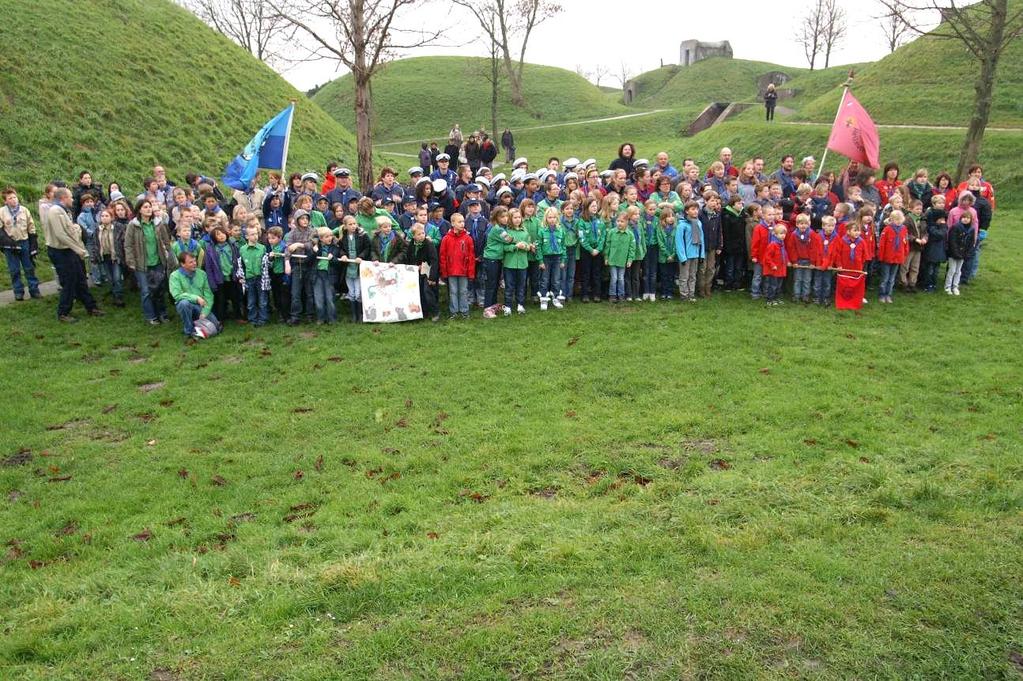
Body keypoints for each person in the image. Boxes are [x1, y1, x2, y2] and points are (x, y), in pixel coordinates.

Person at [41, 187, 102, 322]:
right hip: (61, 252)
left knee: (80, 278)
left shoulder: (63, 210)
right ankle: (63, 312)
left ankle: (91, 307)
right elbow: (61, 235)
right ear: (63, 198)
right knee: (69, 282)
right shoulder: (55, 211)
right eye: (70, 197)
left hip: (69, 250)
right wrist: (79, 249)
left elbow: (69, 229)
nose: (73, 199)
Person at [124, 199, 173, 325]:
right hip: (141, 264)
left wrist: (169, 255)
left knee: (159, 290)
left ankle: (162, 314)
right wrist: (131, 261)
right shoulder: (133, 225)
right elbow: (128, 245)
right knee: (146, 291)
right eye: (145, 207)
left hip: (158, 262)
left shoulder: (158, 223)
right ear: (139, 209)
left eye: (149, 207)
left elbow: (166, 241)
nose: (148, 209)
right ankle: (151, 316)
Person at [0, 187, 41, 301]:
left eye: (14, 197)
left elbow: (31, 227)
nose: (13, 200)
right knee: (14, 269)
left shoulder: (24, 210)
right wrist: (8, 242)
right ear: (6, 201)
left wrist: (33, 243)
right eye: (10, 198)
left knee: (29, 267)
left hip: (24, 242)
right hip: (10, 245)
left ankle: (34, 290)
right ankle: (18, 291)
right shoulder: (1, 212)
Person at [169, 251, 217, 342]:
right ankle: (189, 331)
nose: (194, 263)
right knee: (183, 303)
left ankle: (197, 326)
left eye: (195, 261)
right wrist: (196, 298)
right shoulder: (174, 276)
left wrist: (205, 312)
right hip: (187, 305)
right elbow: (177, 295)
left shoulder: (202, 273)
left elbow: (209, 295)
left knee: (215, 327)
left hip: (201, 306)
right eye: (190, 262)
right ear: (183, 264)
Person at [439, 212, 475, 319]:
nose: (462, 224)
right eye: (459, 222)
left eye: (463, 221)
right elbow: (443, 256)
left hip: (463, 270)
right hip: (451, 271)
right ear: (452, 223)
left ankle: (464, 311)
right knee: (453, 292)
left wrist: (471, 272)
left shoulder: (468, 238)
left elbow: (471, 256)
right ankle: (453, 311)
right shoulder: (446, 239)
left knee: (463, 291)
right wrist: (444, 272)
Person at [206, 225, 243, 323]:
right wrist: (212, 282)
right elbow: (209, 267)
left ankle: (238, 316)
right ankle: (220, 319)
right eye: (218, 235)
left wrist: (239, 274)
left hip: (232, 276)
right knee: (220, 300)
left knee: (235, 297)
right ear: (214, 238)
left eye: (222, 233)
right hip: (219, 279)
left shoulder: (232, 245)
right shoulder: (211, 249)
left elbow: (238, 260)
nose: (221, 236)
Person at [338, 215, 370, 323]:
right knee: (351, 292)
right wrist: (343, 255)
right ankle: (353, 315)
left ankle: (360, 314)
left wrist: (361, 256)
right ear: (345, 226)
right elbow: (341, 249)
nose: (353, 226)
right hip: (348, 268)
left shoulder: (362, 235)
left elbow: (367, 248)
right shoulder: (343, 237)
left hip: (358, 267)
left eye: (354, 224)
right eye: (350, 224)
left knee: (358, 293)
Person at [481, 206, 512, 316]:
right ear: (496, 217)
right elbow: (508, 240)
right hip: (491, 259)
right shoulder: (497, 229)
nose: (505, 219)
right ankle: (487, 309)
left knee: (495, 284)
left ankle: (493, 306)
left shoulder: (502, 228)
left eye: (506, 216)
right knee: (491, 284)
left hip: (497, 259)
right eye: (502, 217)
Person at [405, 224, 440, 321]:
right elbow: (409, 258)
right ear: (413, 236)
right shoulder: (411, 245)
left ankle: (435, 312)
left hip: (428, 272)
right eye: (419, 234)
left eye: (423, 233)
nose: (421, 235)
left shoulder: (429, 244)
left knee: (427, 291)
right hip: (416, 272)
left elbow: (434, 260)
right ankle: (424, 312)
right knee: (419, 292)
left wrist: (432, 277)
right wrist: (414, 266)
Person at [502, 207, 532, 315]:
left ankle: (520, 304)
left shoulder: (525, 232)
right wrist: (515, 246)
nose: (517, 219)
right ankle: (508, 306)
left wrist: (526, 247)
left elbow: (529, 246)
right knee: (509, 286)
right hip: (510, 264)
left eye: (519, 217)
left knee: (521, 285)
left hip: (523, 264)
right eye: (515, 217)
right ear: (510, 219)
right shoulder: (506, 232)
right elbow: (504, 248)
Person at [536, 206, 566, 310]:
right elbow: (538, 246)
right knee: (544, 279)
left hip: (557, 258)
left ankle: (556, 298)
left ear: (557, 218)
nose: (552, 219)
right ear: (546, 218)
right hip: (545, 258)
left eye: (554, 217)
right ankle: (544, 299)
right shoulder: (542, 231)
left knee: (556, 279)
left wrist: (563, 260)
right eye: (549, 217)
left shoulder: (560, 231)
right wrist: (540, 261)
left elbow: (563, 246)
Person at [877, 209, 909, 304]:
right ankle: (882, 294)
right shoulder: (887, 229)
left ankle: (888, 294)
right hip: (887, 257)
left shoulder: (904, 229)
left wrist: (905, 254)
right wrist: (881, 257)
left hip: (898, 257)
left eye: (900, 219)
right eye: (896, 219)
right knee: (885, 278)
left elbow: (905, 243)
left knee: (892, 278)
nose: (898, 221)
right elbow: (882, 245)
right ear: (891, 220)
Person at [675, 201, 705, 302]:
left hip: (695, 254)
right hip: (686, 256)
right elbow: (679, 242)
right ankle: (684, 295)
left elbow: (701, 240)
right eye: (693, 209)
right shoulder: (682, 225)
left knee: (693, 275)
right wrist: (682, 257)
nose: (695, 211)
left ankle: (691, 294)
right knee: (684, 276)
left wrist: (702, 254)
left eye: (696, 209)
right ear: (687, 211)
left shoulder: (698, 223)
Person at [577, 196, 605, 303]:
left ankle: (597, 294)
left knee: (597, 273)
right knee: (586, 273)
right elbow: (582, 238)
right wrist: (590, 249)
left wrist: (598, 249)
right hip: (587, 251)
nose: (594, 208)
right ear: (586, 207)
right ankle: (584, 294)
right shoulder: (582, 222)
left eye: (596, 206)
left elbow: (603, 236)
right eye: (592, 206)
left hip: (597, 250)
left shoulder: (599, 221)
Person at [94, 208, 125, 307]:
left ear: (111, 217)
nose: (104, 218)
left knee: (117, 277)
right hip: (105, 256)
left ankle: (118, 297)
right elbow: (95, 243)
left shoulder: (118, 227)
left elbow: (122, 241)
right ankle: (115, 293)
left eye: (106, 216)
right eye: (102, 216)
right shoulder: (98, 229)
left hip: (115, 257)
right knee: (110, 278)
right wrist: (96, 255)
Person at [239, 225, 269, 326]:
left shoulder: (262, 248)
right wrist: (241, 277)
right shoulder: (242, 249)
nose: (255, 236)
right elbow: (241, 264)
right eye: (252, 234)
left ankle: (263, 319)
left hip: (260, 278)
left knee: (262, 300)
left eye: (256, 234)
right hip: (249, 278)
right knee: (251, 300)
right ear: (247, 236)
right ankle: (252, 319)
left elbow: (266, 263)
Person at [308, 227, 339, 324]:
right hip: (317, 275)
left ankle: (332, 318)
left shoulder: (334, 248)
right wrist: (315, 252)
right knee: (318, 297)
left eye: (330, 236)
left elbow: (338, 264)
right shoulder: (316, 247)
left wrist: (333, 258)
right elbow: (308, 261)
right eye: (326, 237)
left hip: (329, 275)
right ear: (321, 238)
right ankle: (321, 318)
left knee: (330, 298)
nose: (330, 238)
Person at [603, 212, 635, 304]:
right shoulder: (611, 232)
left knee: (621, 278)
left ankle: (621, 294)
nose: (619, 223)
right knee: (614, 278)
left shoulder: (630, 234)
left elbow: (632, 248)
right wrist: (606, 257)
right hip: (612, 260)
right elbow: (607, 245)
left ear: (627, 222)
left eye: (622, 221)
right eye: (618, 221)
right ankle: (612, 295)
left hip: (622, 261)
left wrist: (630, 260)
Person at [785, 213, 815, 303]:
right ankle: (796, 295)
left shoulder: (812, 234)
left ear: (809, 224)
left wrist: (813, 262)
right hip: (798, 261)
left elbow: (814, 249)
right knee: (797, 279)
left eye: (805, 223)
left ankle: (805, 296)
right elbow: (791, 248)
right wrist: (794, 261)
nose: (803, 226)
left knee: (807, 280)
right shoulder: (794, 235)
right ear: (797, 224)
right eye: (801, 224)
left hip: (808, 261)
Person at [697, 193, 723, 298]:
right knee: (702, 268)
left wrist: (719, 246)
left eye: (716, 202)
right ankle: (701, 289)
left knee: (711, 268)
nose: (714, 203)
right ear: (706, 201)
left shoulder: (717, 215)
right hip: (702, 246)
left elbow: (719, 230)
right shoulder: (700, 214)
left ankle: (708, 288)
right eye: (712, 201)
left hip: (713, 246)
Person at [921, 197, 948, 292]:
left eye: (943, 203)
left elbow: (944, 232)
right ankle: (927, 284)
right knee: (929, 268)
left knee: (936, 269)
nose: (941, 205)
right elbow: (935, 232)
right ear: (933, 204)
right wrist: (941, 225)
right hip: (931, 245)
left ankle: (933, 284)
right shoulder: (930, 214)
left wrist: (942, 227)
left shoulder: (944, 214)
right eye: (939, 203)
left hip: (940, 246)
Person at [944, 211, 974, 296]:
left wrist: (967, 253)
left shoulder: (971, 229)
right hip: (953, 253)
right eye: (964, 217)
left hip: (963, 254)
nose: (965, 219)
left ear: (971, 220)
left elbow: (970, 243)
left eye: (968, 218)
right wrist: (956, 253)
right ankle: (947, 287)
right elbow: (952, 241)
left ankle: (955, 286)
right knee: (952, 270)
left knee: (958, 271)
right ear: (961, 218)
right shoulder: (955, 227)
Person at [265, 226, 290, 323]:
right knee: (276, 294)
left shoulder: (284, 247)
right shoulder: (271, 247)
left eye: (273, 238)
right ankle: (280, 313)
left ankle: (286, 315)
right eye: (269, 238)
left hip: (283, 274)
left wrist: (275, 254)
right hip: (274, 274)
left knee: (284, 295)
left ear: (280, 237)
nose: (270, 240)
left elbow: (285, 254)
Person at [812, 216, 839, 305]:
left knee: (827, 282)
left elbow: (836, 252)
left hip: (829, 265)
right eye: (828, 225)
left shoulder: (836, 237)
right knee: (817, 282)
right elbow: (815, 251)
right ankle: (816, 297)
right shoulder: (818, 236)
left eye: (832, 226)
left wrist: (834, 264)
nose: (831, 228)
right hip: (819, 264)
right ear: (823, 226)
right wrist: (814, 263)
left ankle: (826, 297)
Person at [762, 224, 788, 307]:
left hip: (781, 269)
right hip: (774, 270)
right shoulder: (773, 244)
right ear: (775, 234)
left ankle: (776, 298)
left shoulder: (782, 244)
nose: (783, 235)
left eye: (784, 233)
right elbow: (767, 257)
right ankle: (770, 299)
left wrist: (787, 261)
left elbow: (784, 254)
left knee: (779, 286)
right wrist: (772, 265)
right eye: (781, 233)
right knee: (773, 285)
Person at [655, 207, 678, 300]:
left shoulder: (676, 228)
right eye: (668, 216)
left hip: (673, 256)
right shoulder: (660, 228)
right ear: (663, 218)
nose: (671, 218)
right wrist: (667, 254)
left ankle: (670, 292)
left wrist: (672, 255)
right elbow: (660, 243)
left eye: (672, 216)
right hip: (663, 257)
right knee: (664, 275)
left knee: (671, 275)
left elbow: (677, 242)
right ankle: (664, 292)